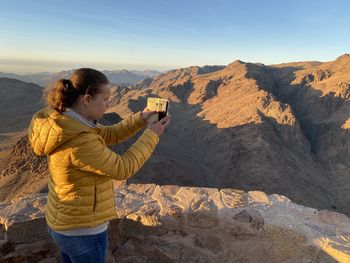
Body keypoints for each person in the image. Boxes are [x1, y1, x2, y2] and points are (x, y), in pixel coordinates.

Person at [27, 68, 171, 263]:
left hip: (65, 225)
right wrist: (152, 134)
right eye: (105, 99)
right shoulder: (78, 140)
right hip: (83, 232)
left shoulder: (67, 121)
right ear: (87, 99)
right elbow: (123, 168)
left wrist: (142, 118)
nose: (108, 104)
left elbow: (109, 134)